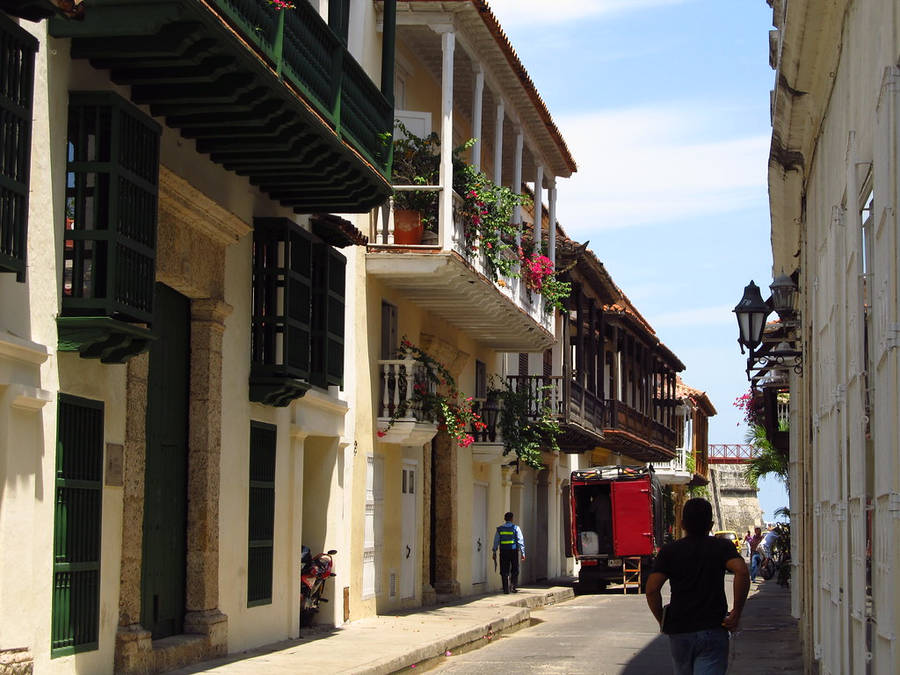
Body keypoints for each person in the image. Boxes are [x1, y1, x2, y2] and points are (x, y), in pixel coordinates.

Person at [645, 498, 750, 675]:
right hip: (712, 628)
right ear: (711, 524)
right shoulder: (721, 547)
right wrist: (736, 611)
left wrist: (661, 619)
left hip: (680, 630)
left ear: (682, 524)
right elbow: (741, 571)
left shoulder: (670, 551)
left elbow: (652, 589)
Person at [491, 511, 525, 594]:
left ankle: (505, 588)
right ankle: (513, 587)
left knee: (504, 570)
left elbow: (496, 541)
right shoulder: (516, 528)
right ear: (512, 519)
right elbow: (520, 540)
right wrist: (523, 552)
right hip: (513, 551)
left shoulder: (500, 529)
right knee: (515, 569)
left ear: (504, 519)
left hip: (503, 551)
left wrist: (494, 551)